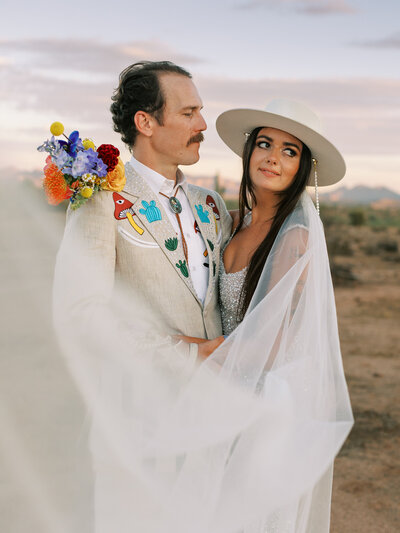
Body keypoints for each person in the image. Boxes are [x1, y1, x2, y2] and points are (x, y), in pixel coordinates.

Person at [52, 60, 232, 533]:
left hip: (214, 423)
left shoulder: (211, 206)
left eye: (200, 112)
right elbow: (79, 314)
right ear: (146, 122)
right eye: (189, 112)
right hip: (137, 426)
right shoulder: (100, 200)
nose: (202, 125)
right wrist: (185, 352)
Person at [175, 99, 353, 531]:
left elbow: (268, 345)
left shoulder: (293, 235)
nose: (273, 157)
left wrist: (182, 352)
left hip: (262, 399)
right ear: (249, 152)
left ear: (302, 168)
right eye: (265, 144)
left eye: (289, 151)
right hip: (228, 387)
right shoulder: (233, 223)